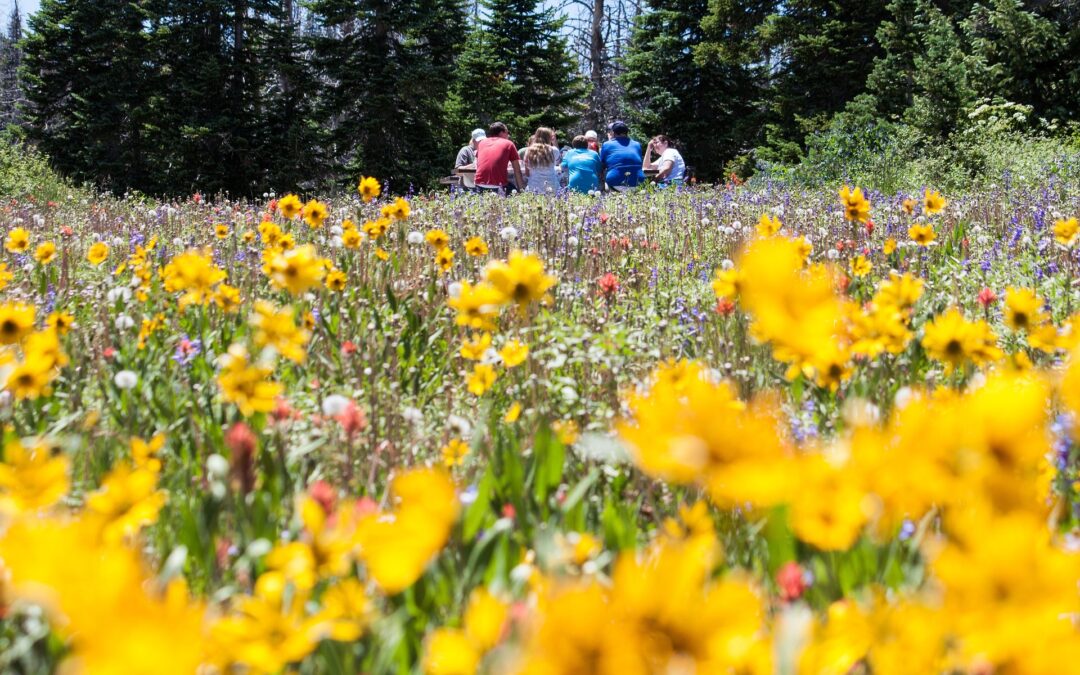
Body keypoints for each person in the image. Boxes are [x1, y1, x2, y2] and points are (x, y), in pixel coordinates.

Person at [475, 122, 524, 193]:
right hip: (499, 185)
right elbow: (517, 170)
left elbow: (478, 163)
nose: (508, 135)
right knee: (515, 194)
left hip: (479, 184)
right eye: (507, 132)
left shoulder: (482, 143)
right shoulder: (509, 144)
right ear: (501, 133)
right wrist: (521, 190)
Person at [599, 120, 644, 191]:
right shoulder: (637, 144)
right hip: (638, 182)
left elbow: (602, 165)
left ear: (613, 133)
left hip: (615, 183)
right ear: (627, 132)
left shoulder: (606, 144)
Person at [524, 127, 560, 194]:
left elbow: (527, 172)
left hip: (534, 186)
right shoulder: (554, 150)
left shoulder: (529, 150)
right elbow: (558, 162)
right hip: (552, 185)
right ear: (549, 137)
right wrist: (554, 141)